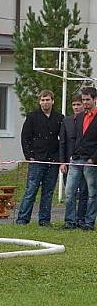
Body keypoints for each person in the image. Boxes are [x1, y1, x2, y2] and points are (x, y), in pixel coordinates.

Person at [16, 90, 64, 226]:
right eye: (43, 100)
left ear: (52, 101)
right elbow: (25, 137)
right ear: (39, 101)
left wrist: (60, 158)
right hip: (37, 159)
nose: (45, 102)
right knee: (31, 190)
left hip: (53, 159)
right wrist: (29, 155)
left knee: (48, 192)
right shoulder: (32, 117)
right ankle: (22, 219)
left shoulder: (59, 118)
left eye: (48, 100)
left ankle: (44, 220)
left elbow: (62, 139)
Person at [63, 86, 97, 231]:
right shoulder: (81, 116)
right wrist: (71, 155)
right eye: (83, 100)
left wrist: (93, 158)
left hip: (91, 160)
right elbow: (75, 138)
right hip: (76, 159)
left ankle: (89, 223)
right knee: (69, 192)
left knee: (92, 193)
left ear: (95, 99)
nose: (85, 103)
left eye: (88, 100)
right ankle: (70, 222)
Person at [59, 94, 88, 229]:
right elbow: (62, 142)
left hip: (86, 160)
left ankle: (81, 219)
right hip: (70, 161)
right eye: (74, 105)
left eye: (78, 104)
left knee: (84, 191)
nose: (76, 107)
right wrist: (62, 162)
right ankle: (69, 221)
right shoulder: (67, 121)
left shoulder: (89, 120)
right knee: (69, 192)